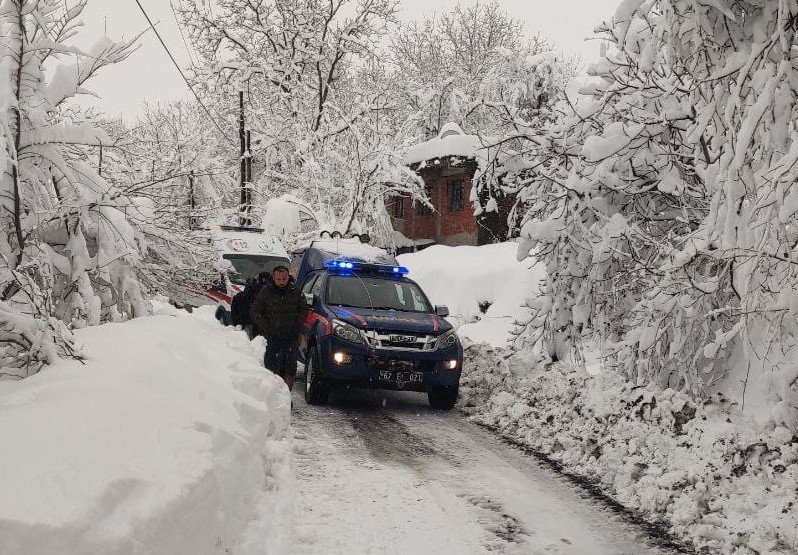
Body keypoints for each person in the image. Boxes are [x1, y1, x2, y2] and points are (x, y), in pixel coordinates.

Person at [250, 265, 306, 390]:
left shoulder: (296, 291)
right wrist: (267, 327)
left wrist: (296, 325)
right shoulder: (265, 292)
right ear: (273, 278)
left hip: (291, 335)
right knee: (271, 364)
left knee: (290, 365)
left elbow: (303, 310)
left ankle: (286, 396)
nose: (281, 282)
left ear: (288, 278)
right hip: (272, 335)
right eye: (278, 279)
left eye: (284, 279)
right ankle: (272, 392)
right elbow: (256, 312)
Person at [230, 272, 269, 339]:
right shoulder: (248, 293)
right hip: (251, 324)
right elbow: (240, 309)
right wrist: (240, 322)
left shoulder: (276, 293)